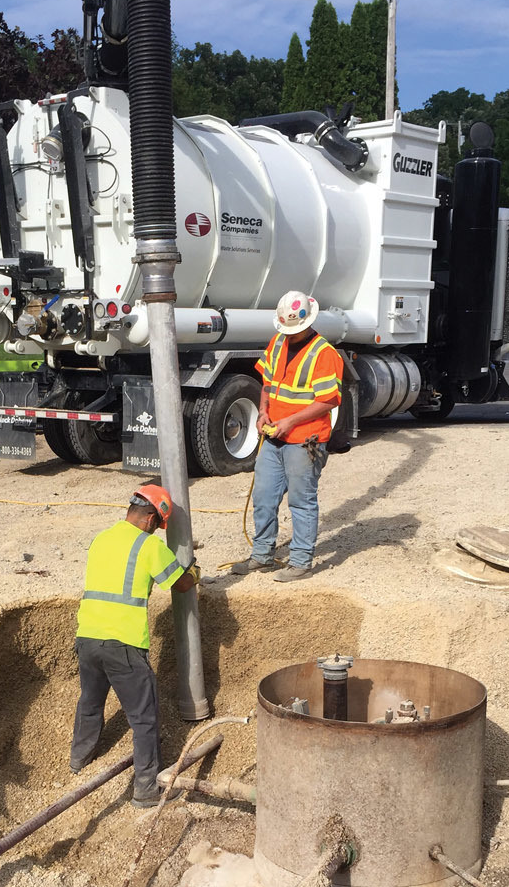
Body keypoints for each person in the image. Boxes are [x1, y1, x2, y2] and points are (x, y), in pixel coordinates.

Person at [70, 483, 199, 808]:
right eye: (158, 525)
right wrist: (194, 572)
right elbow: (181, 584)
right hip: (123, 644)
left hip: (87, 637)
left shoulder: (101, 539)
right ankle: (146, 790)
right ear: (151, 519)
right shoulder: (149, 545)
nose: (156, 530)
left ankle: (79, 761)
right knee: (144, 718)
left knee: (90, 703)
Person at [231, 290, 344, 582]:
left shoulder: (324, 353)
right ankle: (262, 556)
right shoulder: (278, 342)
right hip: (274, 437)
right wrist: (263, 412)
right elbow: (267, 383)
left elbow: (328, 400)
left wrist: (290, 421)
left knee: (301, 501)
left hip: (305, 441)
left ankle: (301, 562)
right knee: (264, 497)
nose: (290, 334)